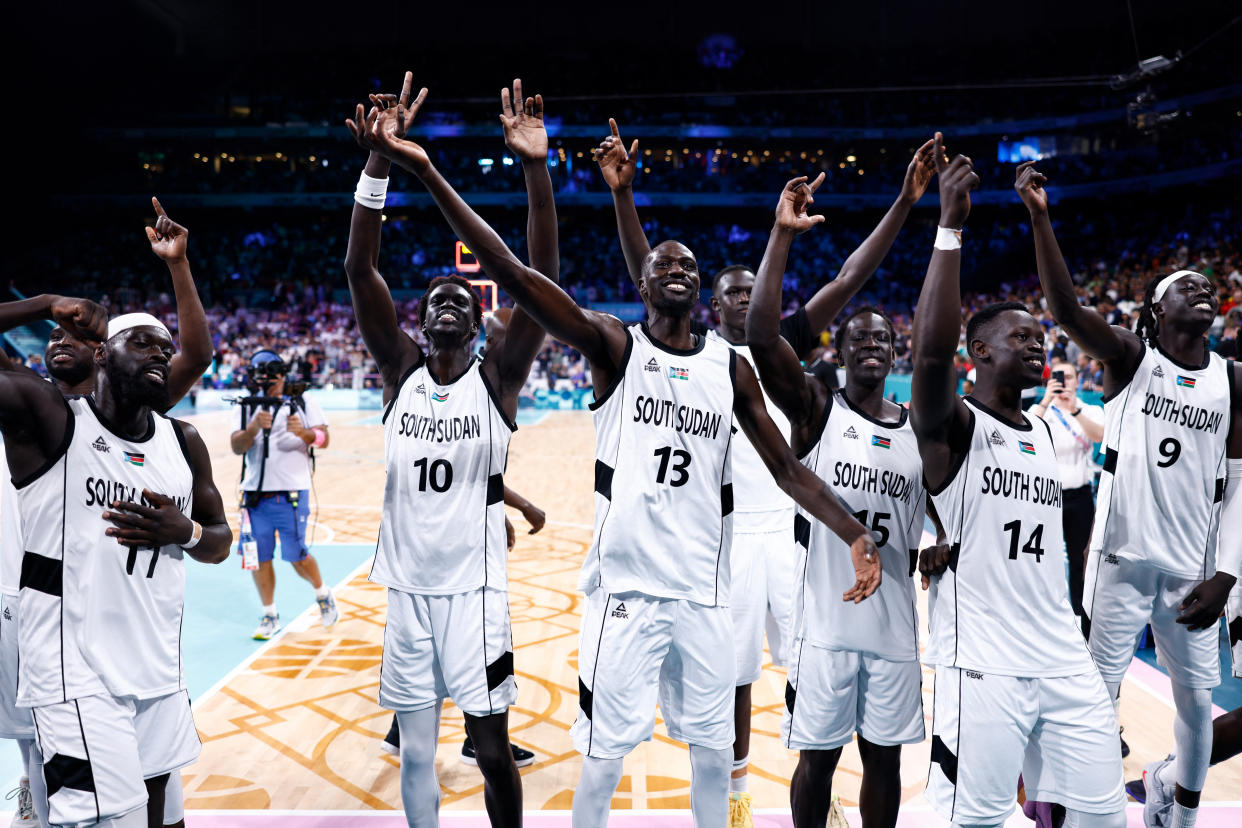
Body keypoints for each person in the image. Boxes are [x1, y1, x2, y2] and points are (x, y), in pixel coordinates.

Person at [353, 75, 881, 828]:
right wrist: (441, 170)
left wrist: (854, 529)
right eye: (663, 263)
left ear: (698, 292)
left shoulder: (726, 368)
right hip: (624, 597)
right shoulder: (612, 345)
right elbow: (515, 272)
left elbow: (788, 468)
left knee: (708, 755)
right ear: (641, 282)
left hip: (702, 592)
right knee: (601, 758)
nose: (677, 268)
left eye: (689, 267)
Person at [594, 124, 935, 826]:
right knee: (737, 680)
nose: (748, 299)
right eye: (735, 293)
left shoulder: (778, 353)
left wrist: (903, 203)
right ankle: (741, 795)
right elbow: (644, 272)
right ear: (714, 306)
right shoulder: (704, 355)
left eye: (756, 291)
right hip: (724, 538)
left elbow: (849, 278)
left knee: (813, 669)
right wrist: (624, 199)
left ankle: (819, 787)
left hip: (794, 526)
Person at [344, 74, 559, 827]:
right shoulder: (400, 370)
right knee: (414, 747)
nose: (445, 300)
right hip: (406, 593)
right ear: (419, 317)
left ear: (479, 323)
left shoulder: (497, 379)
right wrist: (377, 164)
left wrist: (535, 168)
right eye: (434, 295)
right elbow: (359, 270)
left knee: (493, 750)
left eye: (461, 299)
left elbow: (539, 280)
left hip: (475, 597)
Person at [1016, 161, 1241, 828]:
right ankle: (1078, 809)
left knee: (1198, 704)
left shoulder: (1233, 380)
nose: (1202, 291)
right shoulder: (1130, 360)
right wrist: (1040, 216)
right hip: (1119, 562)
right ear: (1155, 312)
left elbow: (1238, 489)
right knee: (1096, 694)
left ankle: (1178, 811)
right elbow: (1062, 307)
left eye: (1207, 286)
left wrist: (1226, 570)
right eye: (1185, 287)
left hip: (1192, 571)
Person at [913, 135, 1125, 828]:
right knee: (976, 820)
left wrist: (1040, 217)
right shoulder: (954, 428)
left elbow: (1064, 309)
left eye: (1041, 338)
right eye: (1019, 337)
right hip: (985, 665)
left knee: (1101, 816)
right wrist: (949, 227)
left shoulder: (1045, 428)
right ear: (978, 354)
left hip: (1062, 655)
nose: (1038, 343)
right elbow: (930, 351)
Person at [0, 200, 213, 828]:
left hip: (152, 663)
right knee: (89, 803)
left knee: (163, 814)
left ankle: (37, 794)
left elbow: (193, 358)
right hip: (62, 647)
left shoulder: (169, 434)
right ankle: (33, 793)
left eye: (161, 346)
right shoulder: (48, 418)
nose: (158, 354)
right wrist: (42, 302)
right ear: (108, 355)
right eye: (141, 342)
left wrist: (190, 531)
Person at [745, 173, 929, 828]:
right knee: (816, 763)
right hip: (823, 624)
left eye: (883, 338)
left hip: (896, 627)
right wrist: (781, 236)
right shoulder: (818, 409)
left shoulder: (917, 429)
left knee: (885, 765)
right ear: (839, 353)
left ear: (895, 351)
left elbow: (936, 519)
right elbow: (762, 337)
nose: (872, 343)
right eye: (860, 338)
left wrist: (936, 553)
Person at [380, 483, 546, 767]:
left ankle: (402, 730)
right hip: (451, 542)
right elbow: (472, 472)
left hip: (434, 537)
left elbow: (470, 475)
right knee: (473, 647)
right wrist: (524, 507)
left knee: (439, 643)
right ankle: (479, 740)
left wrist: (496, 510)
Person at [229, 349, 335, 640]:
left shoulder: (303, 401)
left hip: (290, 494)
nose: (266, 383)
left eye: (271, 378)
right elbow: (237, 446)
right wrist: (252, 428)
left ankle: (323, 593)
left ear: (283, 375)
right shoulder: (246, 405)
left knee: (297, 556)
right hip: (254, 496)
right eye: (260, 377)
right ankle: (269, 614)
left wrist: (305, 434)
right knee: (258, 557)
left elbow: (324, 439)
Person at [1029, 360, 1104, 638]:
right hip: (1047, 497)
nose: (1065, 382)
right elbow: (1026, 429)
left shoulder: (1090, 410)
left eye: (1069, 377)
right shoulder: (1043, 412)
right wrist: (1047, 399)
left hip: (1080, 495)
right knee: (1041, 555)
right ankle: (1040, 614)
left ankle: (1078, 615)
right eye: (1060, 378)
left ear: (1077, 380)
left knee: (1079, 558)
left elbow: (1100, 436)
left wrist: (1074, 409)